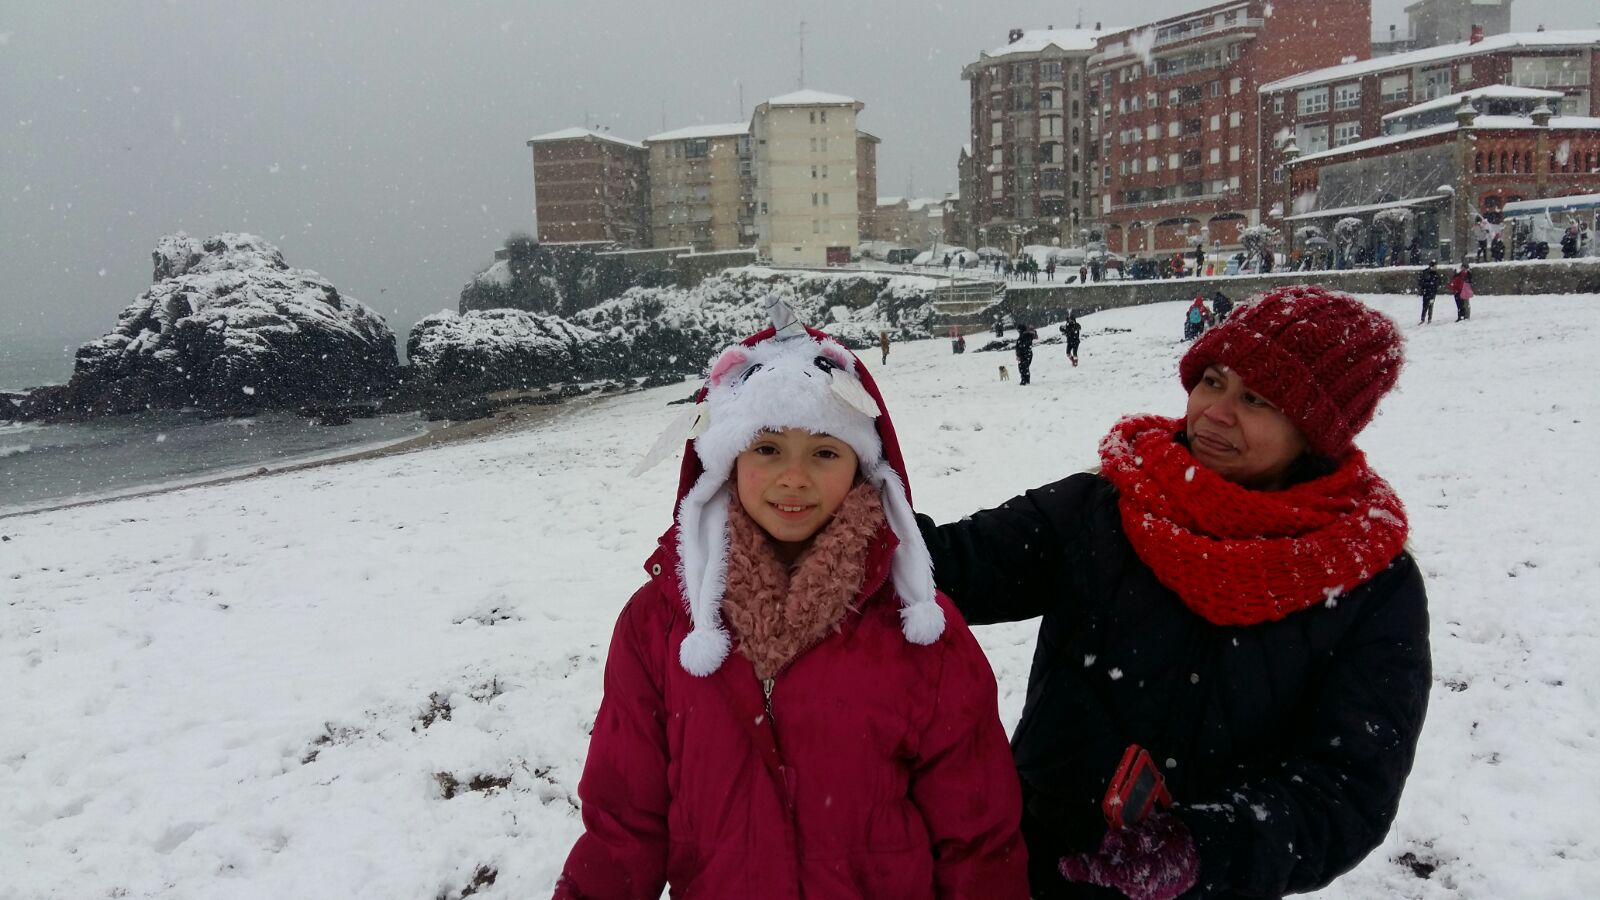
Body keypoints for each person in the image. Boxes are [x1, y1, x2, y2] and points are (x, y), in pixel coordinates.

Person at [916, 286, 1430, 899]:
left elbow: (1347, 791)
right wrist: (820, 488)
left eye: (1256, 398)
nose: (1215, 411)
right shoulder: (1103, 506)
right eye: (1212, 380)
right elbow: (946, 567)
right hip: (1035, 863)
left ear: (1315, 432)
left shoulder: (1371, 583)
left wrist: (1199, 851)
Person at [556, 319, 1030, 897]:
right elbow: (623, 826)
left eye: (825, 451)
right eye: (768, 448)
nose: (794, 477)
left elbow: (976, 836)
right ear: (725, 459)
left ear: (863, 465)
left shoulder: (918, 628)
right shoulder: (659, 626)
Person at [1416, 259, 1441, 324]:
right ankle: (1423, 319)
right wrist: (1428, 284)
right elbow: (1421, 282)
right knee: (1425, 305)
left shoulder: (1436, 274)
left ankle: (1429, 318)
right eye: (1435, 266)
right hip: (1426, 291)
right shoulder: (1425, 273)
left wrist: (1435, 285)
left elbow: (1439, 282)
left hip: (1433, 292)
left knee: (1431, 305)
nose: (1436, 268)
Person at [1015, 321, 1038, 385]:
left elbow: (1020, 347)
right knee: (1025, 367)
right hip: (1029, 353)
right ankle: (1027, 380)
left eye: (1018, 330)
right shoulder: (1028, 335)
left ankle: (1024, 380)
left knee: (1022, 368)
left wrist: (1018, 354)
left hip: (1024, 354)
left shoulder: (1023, 336)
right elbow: (1034, 335)